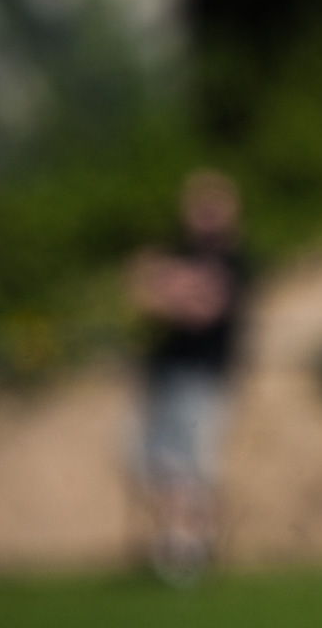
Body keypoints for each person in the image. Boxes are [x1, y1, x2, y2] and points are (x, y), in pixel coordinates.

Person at [127, 169, 250, 584]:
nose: (205, 217)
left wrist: (173, 288)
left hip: (206, 378)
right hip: (166, 376)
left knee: (198, 466)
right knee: (161, 465)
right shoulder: (177, 251)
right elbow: (143, 295)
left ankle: (198, 547)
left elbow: (202, 308)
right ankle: (173, 545)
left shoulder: (236, 261)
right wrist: (175, 289)